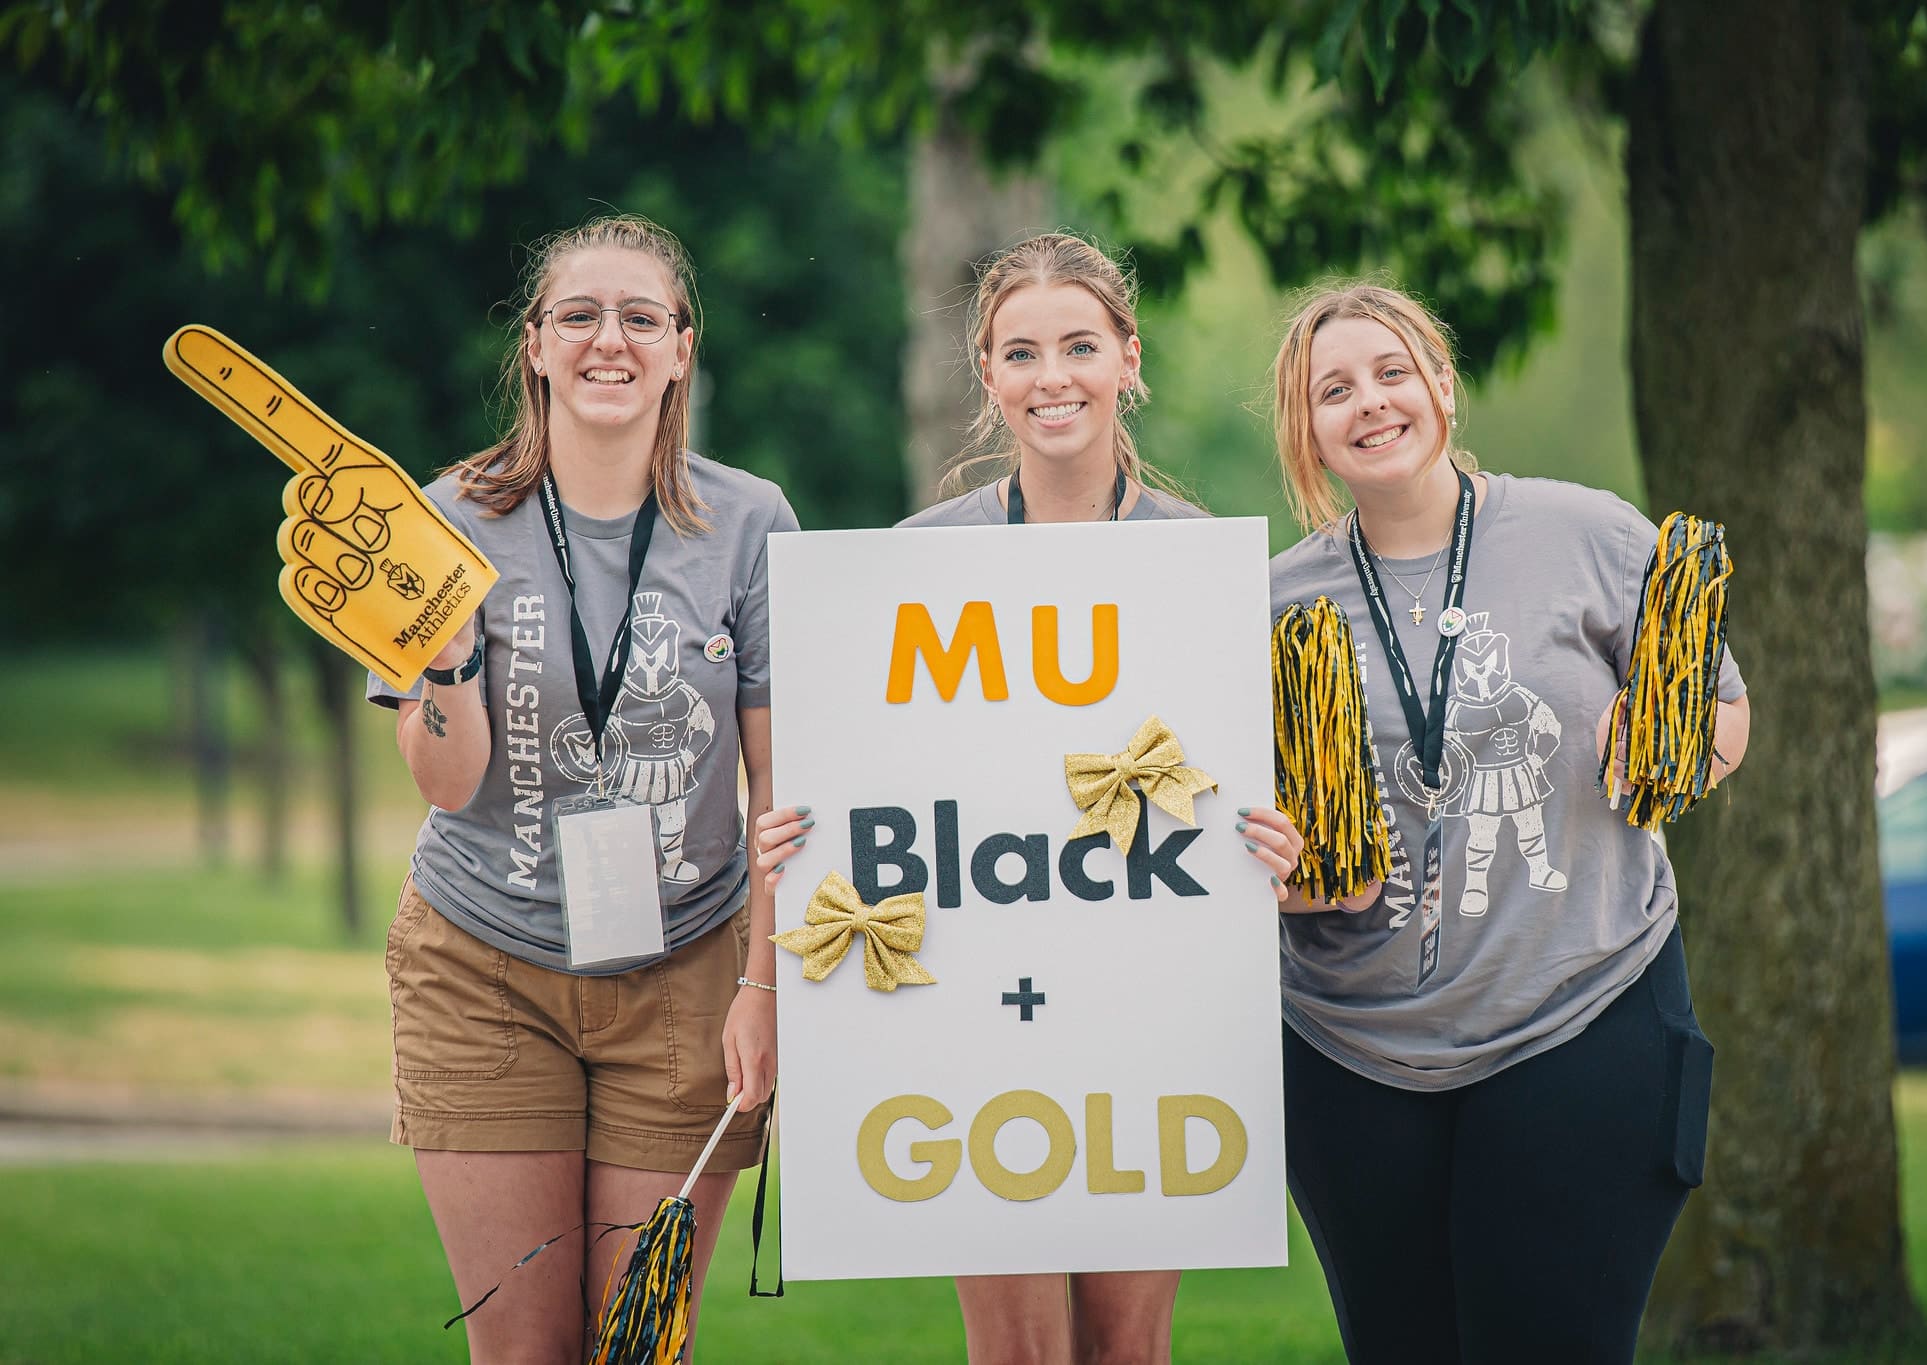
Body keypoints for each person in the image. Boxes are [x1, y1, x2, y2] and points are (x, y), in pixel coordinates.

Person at [754, 231, 1303, 1365]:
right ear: (988, 377)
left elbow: (1246, 779)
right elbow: (874, 782)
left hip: (1155, 1017)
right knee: (1014, 1356)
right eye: (1020, 352)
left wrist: (1275, 840)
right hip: (972, 1024)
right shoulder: (915, 564)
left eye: (1079, 346)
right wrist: (797, 837)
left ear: (1128, 359)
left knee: (1127, 1350)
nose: (1052, 376)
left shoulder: (1203, 566)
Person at [1263, 280, 1753, 1363]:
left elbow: (1722, 712)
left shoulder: (1585, 532)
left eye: (1392, 372)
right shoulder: (1274, 603)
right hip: (1352, 1057)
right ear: (1307, 432)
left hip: (1580, 1019)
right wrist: (1288, 871)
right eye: (1331, 390)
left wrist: (1669, 750)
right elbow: (1244, 828)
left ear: (1441, 382)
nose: (1369, 403)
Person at [367, 214, 794, 1365]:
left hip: (690, 972)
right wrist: (449, 655)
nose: (612, 340)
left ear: (681, 350)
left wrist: (764, 980)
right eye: (580, 316)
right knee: (522, 1355)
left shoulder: (751, 521)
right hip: (482, 968)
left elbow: (784, 788)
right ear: (537, 348)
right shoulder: (446, 518)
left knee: (638, 1350)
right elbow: (449, 783)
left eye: (641, 318)